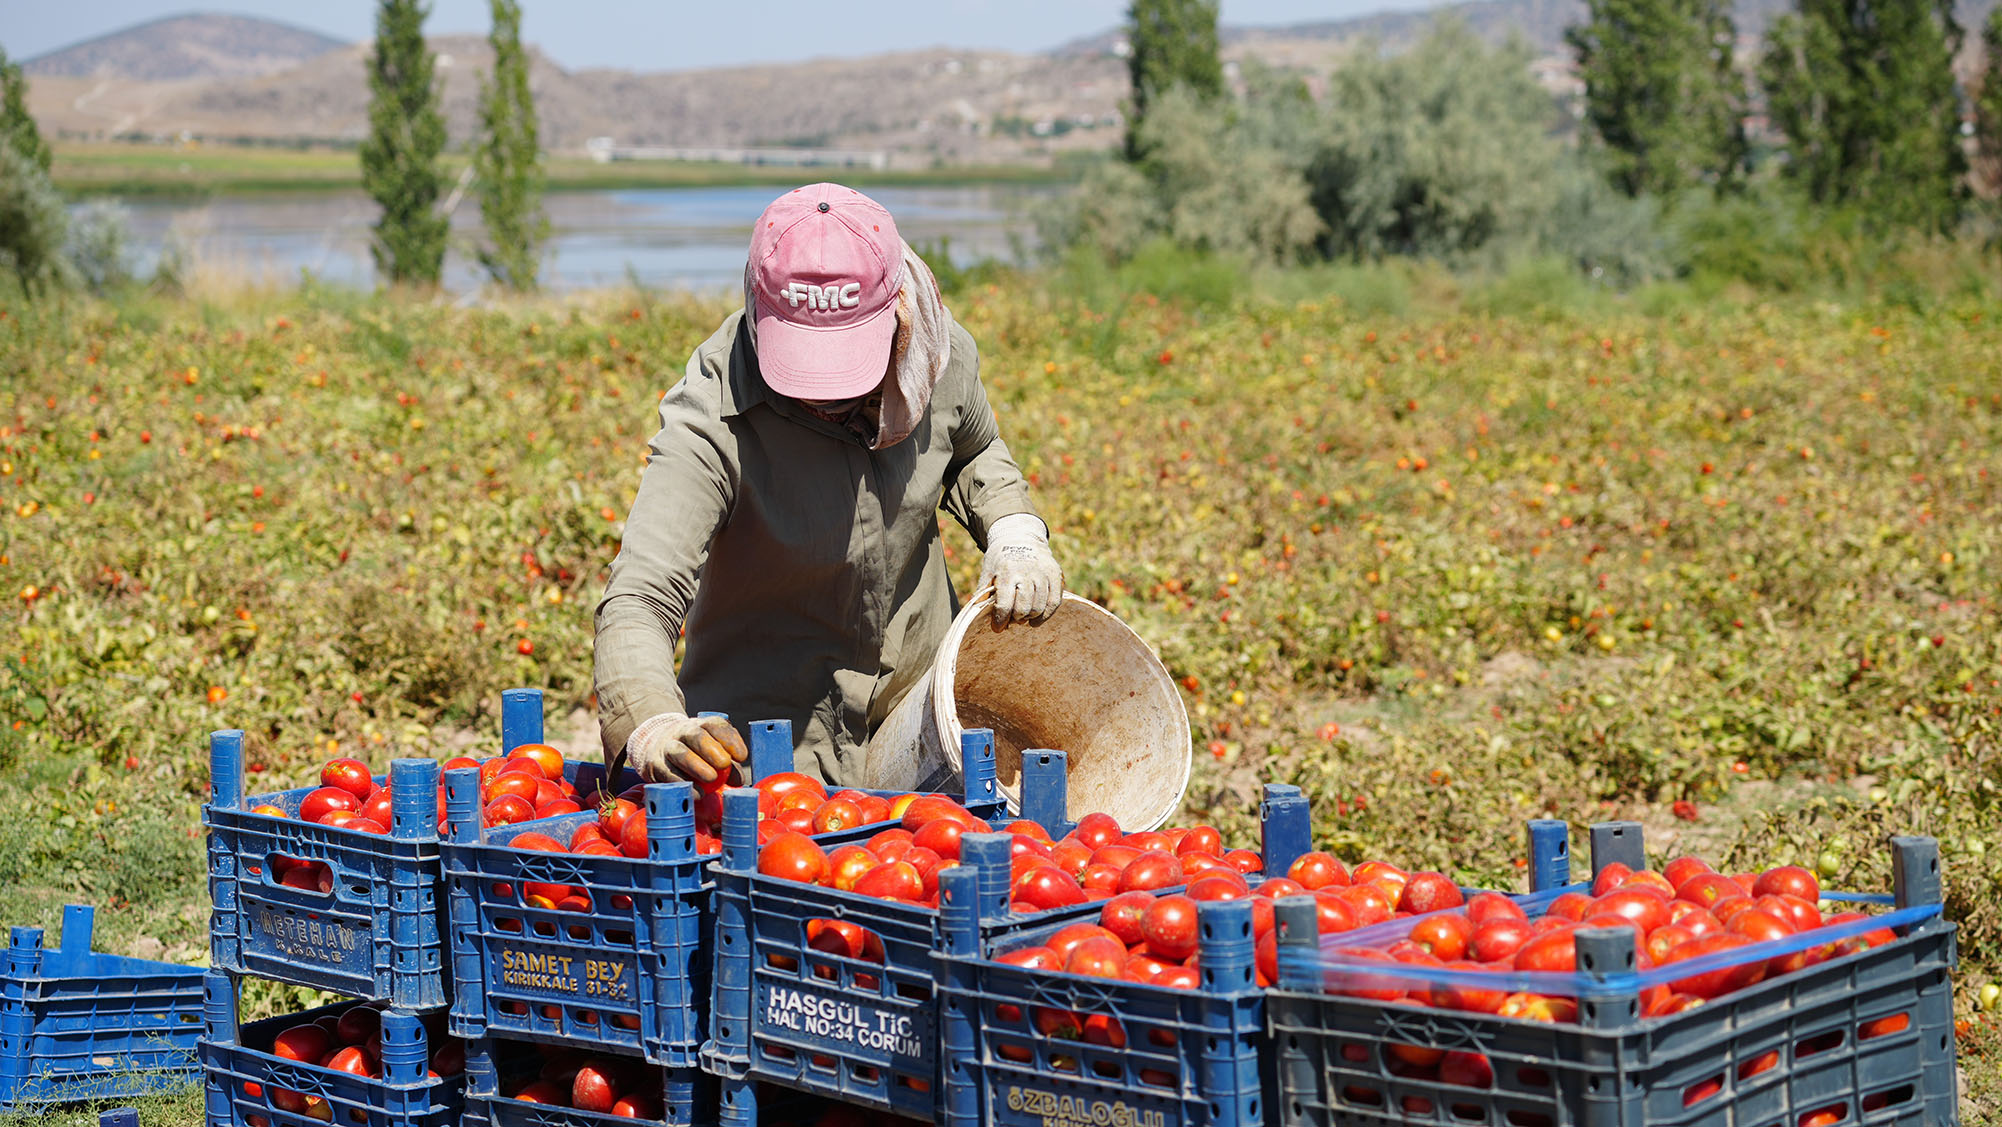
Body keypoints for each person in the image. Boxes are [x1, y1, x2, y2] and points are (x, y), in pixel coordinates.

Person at [593, 183, 1063, 787]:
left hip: (914, 719)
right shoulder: (715, 410)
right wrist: (652, 720)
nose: (825, 397)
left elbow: (974, 449)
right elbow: (639, 595)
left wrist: (1013, 529)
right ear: (761, 313)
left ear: (895, 312)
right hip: (763, 749)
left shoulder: (936, 357)